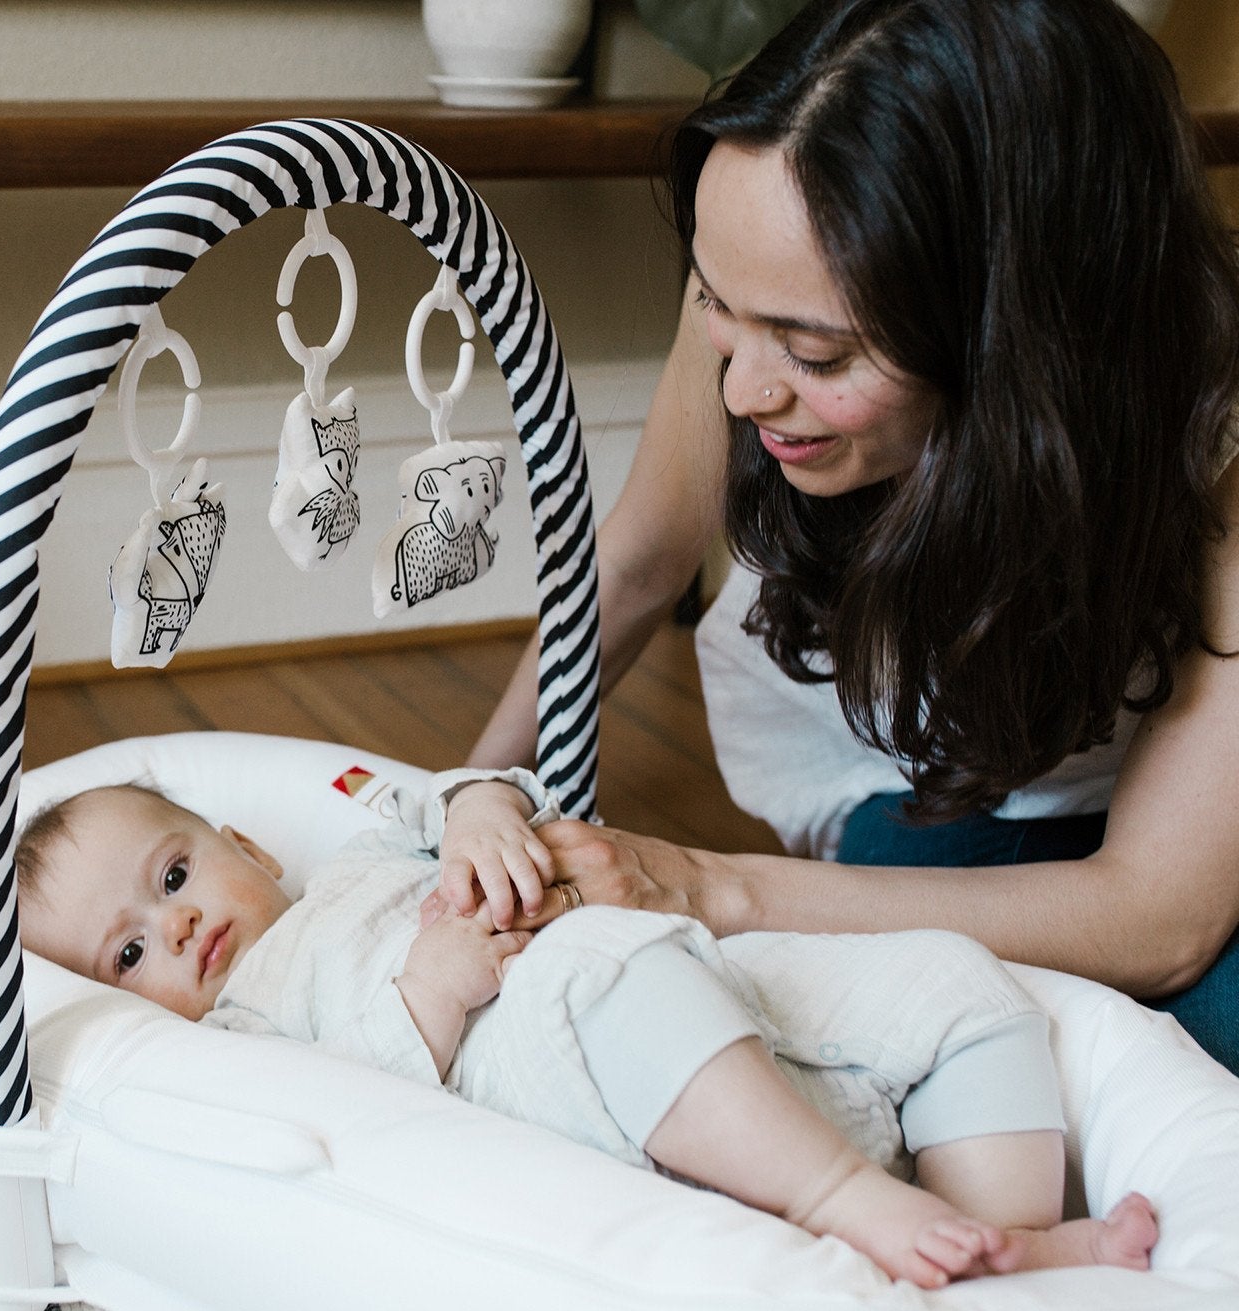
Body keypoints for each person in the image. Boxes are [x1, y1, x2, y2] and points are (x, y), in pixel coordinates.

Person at [467, 0, 1239, 1072]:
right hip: (917, 783)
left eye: (818, 359)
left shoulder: (1208, 428)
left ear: (1018, 333)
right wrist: (463, 792)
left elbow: (1159, 918)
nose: (739, 390)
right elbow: (639, 562)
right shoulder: (768, 285)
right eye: (713, 306)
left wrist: (706, 883)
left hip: (1155, 810)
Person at [14, 769, 1160, 1288]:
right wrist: (435, 991)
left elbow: (466, 787)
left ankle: (999, 1249)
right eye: (129, 955)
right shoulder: (244, 1028)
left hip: (733, 1003)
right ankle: (840, 1204)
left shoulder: (361, 854)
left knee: (951, 978)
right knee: (598, 964)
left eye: (173, 874)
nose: (178, 930)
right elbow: (344, 1115)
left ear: (245, 846)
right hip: (594, 1058)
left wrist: (476, 820)